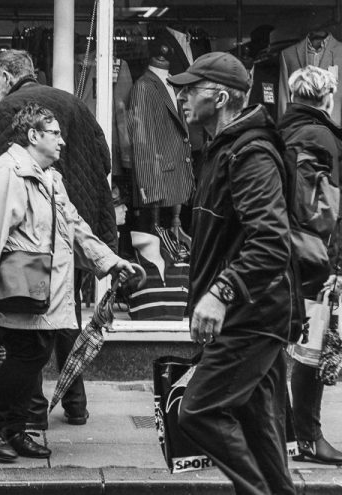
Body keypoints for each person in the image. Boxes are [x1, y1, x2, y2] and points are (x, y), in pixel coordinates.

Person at [0, 103, 134, 461]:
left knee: (34, 354)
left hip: (40, 288)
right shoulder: (5, 174)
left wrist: (109, 261)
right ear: (33, 136)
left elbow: (74, 226)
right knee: (30, 353)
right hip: (15, 287)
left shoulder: (50, 176)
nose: (63, 141)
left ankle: (13, 427)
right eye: (55, 133)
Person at [169, 52, 298, 495]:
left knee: (198, 411)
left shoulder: (250, 153)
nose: (181, 97)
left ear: (221, 97)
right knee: (261, 433)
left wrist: (221, 292)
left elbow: (271, 242)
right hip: (252, 315)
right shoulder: (223, 148)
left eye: (191, 90)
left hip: (251, 318)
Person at [0, 48, 115, 428]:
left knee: (30, 317)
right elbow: (104, 158)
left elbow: (3, 168)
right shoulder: (72, 103)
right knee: (66, 307)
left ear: (8, 76)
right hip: (76, 220)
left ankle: (33, 411)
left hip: (34, 229)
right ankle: (76, 403)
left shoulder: (10, 108)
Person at [278, 65, 342, 464]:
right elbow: (325, 208)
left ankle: (290, 435)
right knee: (312, 348)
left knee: (293, 346)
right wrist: (332, 260)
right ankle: (307, 437)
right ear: (327, 98)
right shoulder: (320, 137)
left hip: (287, 253)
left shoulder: (283, 131)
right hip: (316, 257)